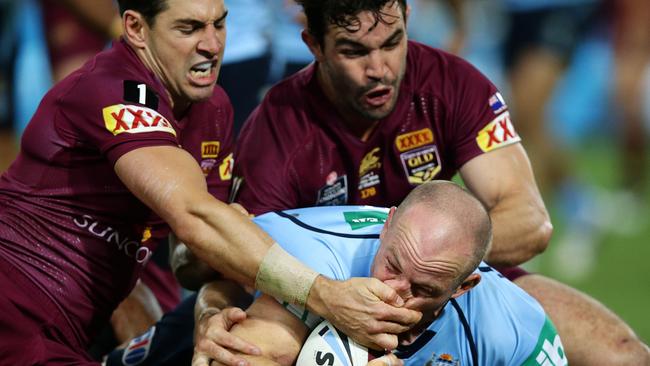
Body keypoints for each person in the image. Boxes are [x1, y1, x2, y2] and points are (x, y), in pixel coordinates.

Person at [0, 0, 422, 364]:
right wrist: (325, 295)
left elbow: (193, 256)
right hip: (14, 311)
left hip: (63, 333)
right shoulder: (112, 89)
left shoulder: (214, 108)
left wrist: (210, 312)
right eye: (189, 28)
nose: (212, 45)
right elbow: (193, 216)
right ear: (135, 28)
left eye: (218, 23)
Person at [230, 0, 649, 364]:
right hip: (329, 293)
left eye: (392, 43)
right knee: (248, 351)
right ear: (314, 45)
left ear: (408, 18)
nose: (379, 69)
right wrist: (213, 310)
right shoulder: (277, 124)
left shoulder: (451, 84)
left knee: (623, 354)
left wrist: (427, 267)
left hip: (450, 286)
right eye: (354, 51)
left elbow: (529, 222)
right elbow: (241, 259)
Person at [202, 181, 568, 365]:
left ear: (464, 286)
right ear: (387, 225)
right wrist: (210, 308)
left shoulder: (516, 329)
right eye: (392, 265)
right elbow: (194, 257)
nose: (393, 290)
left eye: (423, 287)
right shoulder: (315, 251)